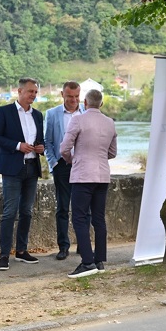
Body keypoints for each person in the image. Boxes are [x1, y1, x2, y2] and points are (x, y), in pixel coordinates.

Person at [60, 89, 117, 278]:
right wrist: (99, 156)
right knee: (98, 218)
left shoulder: (78, 120)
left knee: (79, 218)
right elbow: (112, 152)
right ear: (101, 103)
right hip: (102, 176)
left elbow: (64, 148)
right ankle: (99, 260)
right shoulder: (110, 123)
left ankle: (87, 262)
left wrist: (72, 159)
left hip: (83, 175)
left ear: (85, 102)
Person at [0, 77, 45, 271]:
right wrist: (17, 146)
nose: (33, 95)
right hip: (12, 168)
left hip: (32, 167)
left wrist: (41, 148)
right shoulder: (4, 112)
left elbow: (41, 139)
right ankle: (4, 254)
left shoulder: (38, 115)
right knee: (9, 211)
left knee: (27, 211)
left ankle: (21, 251)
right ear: (19, 91)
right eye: (31, 91)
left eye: (36, 92)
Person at [44, 81, 83, 260]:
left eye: (76, 96)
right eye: (70, 97)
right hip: (62, 167)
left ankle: (83, 245)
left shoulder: (86, 112)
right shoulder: (52, 114)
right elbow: (48, 142)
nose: (74, 100)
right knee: (62, 208)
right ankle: (63, 246)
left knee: (84, 208)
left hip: (83, 166)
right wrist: (54, 163)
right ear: (62, 95)